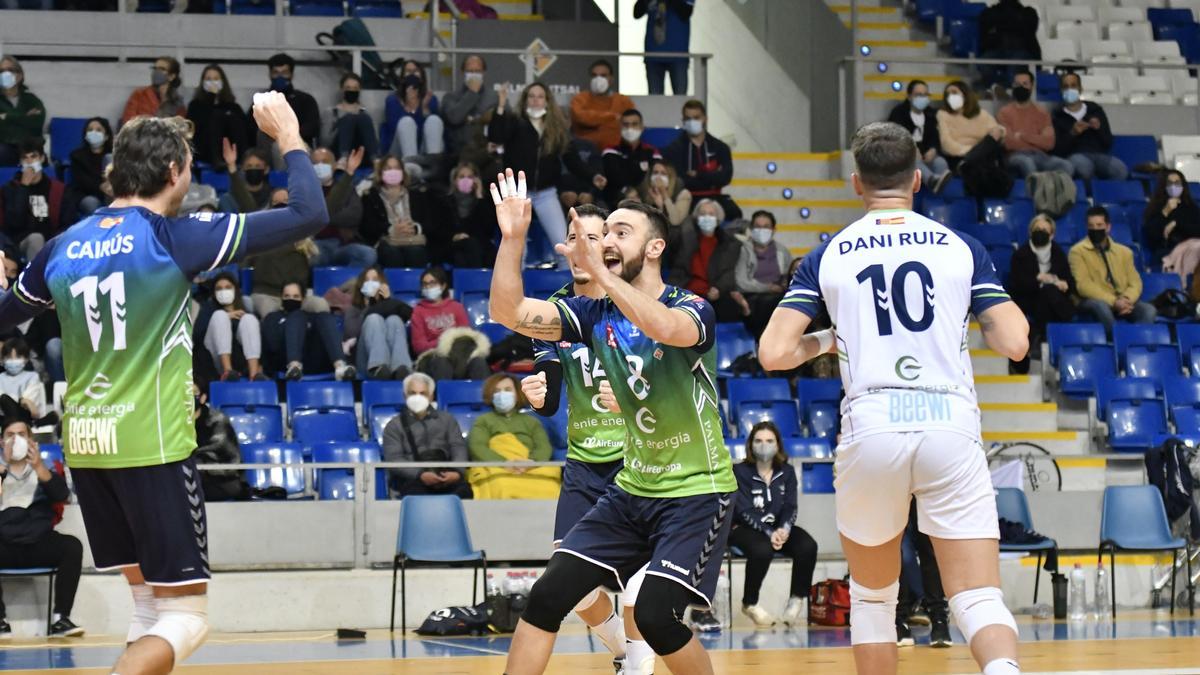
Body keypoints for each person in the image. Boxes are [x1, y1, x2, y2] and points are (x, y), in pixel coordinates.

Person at [0, 92, 329, 675]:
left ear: (114, 172)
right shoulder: (175, 237)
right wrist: (290, 138)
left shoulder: (60, 247)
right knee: (188, 619)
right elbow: (308, 215)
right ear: (175, 172)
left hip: (89, 447)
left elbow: (6, 314)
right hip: (150, 443)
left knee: (150, 604)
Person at [759, 121, 1028, 675]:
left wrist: (830, 337)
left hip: (872, 426)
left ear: (856, 183)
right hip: (948, 421)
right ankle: (1002, 670)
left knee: (875, 599)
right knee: (976, 596)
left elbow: (774, 353)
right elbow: (1015, 341)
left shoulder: (830, 254)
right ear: (919, 178)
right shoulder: (961, 247)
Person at [489, 169, 737, 675]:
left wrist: (600, 275)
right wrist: (512, 239)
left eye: (620, 232)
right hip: (631, 489)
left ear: (653, 248)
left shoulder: (691, 306)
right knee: (548, 595)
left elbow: (663, 328)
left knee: (656, 617)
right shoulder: (592, 312)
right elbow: (507, 310)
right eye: (605, 233)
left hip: (696, 491)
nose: (607, 241)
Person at [520, 202, 652, 674]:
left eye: (592, 239)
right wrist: (536, 393)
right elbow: (550, 394)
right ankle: (626, 650)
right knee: (568, 585)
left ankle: (638, 665)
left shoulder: (636, 306)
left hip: (636, 462)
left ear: (610, 247)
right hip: (583, 466)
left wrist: (635, 400)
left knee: (641, 588)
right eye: (574, 239)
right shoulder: (555, 314)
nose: (581, 249)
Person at [0, 400, 85, 639]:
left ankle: (61, 619)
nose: (15, 439)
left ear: (31, 440)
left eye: (21, 435)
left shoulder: (45, 467)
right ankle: (0, 621)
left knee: (72, 546)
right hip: (5, 544)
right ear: (1, 441)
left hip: (38, 542)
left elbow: (62, 496)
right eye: (10, 435)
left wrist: (38, 467)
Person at [731, 421, 819, 629]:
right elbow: (743, 510)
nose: (764, 445)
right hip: (744, 529)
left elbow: (790, 506)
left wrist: (784, 529)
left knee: (807, 545)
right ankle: (750, 603)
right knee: (762, 549)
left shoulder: (786, 472)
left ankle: (796, 599)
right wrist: (770, 532)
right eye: (759, 441)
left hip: (778, 528)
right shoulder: (739, 471)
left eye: (769, 441)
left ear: (778, 444)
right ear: (751, 444)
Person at [487, 81, 572, 267]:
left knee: (563, 248)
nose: (535, 100)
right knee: (517, 251)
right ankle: (514, 295)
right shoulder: (515, 122)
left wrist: (593, 175)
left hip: (546, 192)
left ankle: (569, 294)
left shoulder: (555, 127)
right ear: (525, 100)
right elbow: (496, 136)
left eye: (540, 96)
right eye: (531, 96)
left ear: (547, 101)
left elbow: (569, 157)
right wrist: (501, 105)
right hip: (518, 193)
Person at [466, 373, 560, 499]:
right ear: (490, 395)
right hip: (499, 467)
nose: (502, 394)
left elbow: (544, 447)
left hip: (530, 466)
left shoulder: (531, 421)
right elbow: (477, 446)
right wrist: (504, 463)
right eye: (497, 391)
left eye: (508, 390)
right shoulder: (483, 421)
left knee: (550, 483)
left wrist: (531, 462)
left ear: (517, 394)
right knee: (500, 484)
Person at [382, 372, 472, 498]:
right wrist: (419, 474)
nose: (417, 397)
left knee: (465, 492)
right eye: (412, 393)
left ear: (431, 396)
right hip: (413, 480)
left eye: (423, 393)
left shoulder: (447, 420)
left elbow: (458, 447)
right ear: (404, 396)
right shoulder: (394, 425)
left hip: (447, 475)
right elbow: (394, 459)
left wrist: (457, 472)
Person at [1069, 206, 1155, 331]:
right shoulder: (1077, 252)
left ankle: (1135, 342)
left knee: (1149, 310)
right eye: (1091, 226)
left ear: (1108, 227)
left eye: (1099, 225)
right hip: (1093, 300)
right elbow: (1083, 286)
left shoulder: (1125, 252)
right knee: (1101, 306)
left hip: (1123, 299)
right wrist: (1114, 301)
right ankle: (1116, 342)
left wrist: (1126, 299)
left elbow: (1135, 282)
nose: (1095, 229)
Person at [1008, 214, 1074, 374]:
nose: (1040, 232)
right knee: (1047, 291)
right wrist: (1038, 279)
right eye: (1037, 229)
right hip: (1028, 300)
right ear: (1030, 232)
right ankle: (1050, 337)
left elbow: (1071, 283)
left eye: (1044, 229)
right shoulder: (1020, 255)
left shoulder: (1059, 253)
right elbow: (1017, 285)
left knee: (1050, 292)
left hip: (1054, 301)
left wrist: (1064, 284)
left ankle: (1038, 335)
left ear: (1052, 234)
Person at [667, 198, 744, 322]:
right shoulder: (685, 237)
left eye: (711, 214)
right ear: (696, 218)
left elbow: (729, 272)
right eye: (702, 214)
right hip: (686, 291)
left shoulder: (729, 243)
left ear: (718, 218)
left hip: (713, 293)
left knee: (730, 307)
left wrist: (718, 288)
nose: (707, 217)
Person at [262, 281, 356, 381]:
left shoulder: (312, 317)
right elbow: (272, 346)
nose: (291, 299)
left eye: (296, 296)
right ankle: (294, 367)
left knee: (324, 317)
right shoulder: (273, 317)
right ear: (281, 298)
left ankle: (340, 366)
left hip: (316, 361)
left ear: (303, 299)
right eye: (287, 296)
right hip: (284, 361)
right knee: (296, 316)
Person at [663, 100, 740, 222]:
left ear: (705, 119)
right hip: (687, 198)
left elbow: (726, 177)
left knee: (736, 214)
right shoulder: (672, 150)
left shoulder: (721, 147)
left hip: (715, 196)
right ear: (683, 121)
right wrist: (713, 177)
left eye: (696, 117)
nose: (692, 122)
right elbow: (680, 181)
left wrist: (698, 174)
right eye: (688, 118)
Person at [411, 266, 490, 380]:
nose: (428, 287)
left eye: (432, 283)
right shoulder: (418, 311)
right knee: (442, 362)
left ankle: (483, 396)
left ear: (443, 286)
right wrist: (445, 342)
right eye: (425, 284)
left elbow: (465, 336)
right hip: (433, 356)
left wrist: (450, 344)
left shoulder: (456, 307)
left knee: (479, 362)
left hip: (460, 355)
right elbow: (419, 346)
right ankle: (445, 396)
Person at [0, 137, 68, 260]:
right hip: (20, 242)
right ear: (20, 162)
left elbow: (67, 221)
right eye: (25, 158)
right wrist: (23, 187)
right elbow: (13, 223)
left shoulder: (57, 189)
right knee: (36, 238)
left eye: (33, 156)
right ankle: (34, 279)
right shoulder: (9, 188)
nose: (30, 161)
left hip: (51, 240)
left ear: (42, 159)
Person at [997, 70, 1073, 178]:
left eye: (1025, 84)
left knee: (1066, 166)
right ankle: (1039, 193)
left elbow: (1049, 143)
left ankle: (1052, 192)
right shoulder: (1003, 113)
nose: (1021, 87)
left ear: (1032, 86)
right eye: (1017, 84)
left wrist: (1023, 136)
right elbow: (1009, 143)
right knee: (1027, 163)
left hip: (1040, 156)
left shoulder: (1042, 113)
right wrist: (1037, 139)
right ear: (1013, 86)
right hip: (1015, 156)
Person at [1052, 73, 1128, 181]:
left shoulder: (1095, 110)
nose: (1070, 90)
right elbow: (1057, 150)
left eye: (1073, 86)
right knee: (1083, 168)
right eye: (1066, 86)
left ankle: (1109, 196)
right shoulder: (1057, 116)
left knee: (1120, 170)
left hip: (1099, 154)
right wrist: (1073, 133)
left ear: (1080, 88)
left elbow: (1108, 141)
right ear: (1061, 90)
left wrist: (1099, 128)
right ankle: (1090, 195)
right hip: (1075, 155)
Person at [895, 499, 950, 649]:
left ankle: (939, 619)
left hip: (925, 483)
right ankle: (899, 620)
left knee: (929, 547)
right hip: (892, 480)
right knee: (895, 549)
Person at [341, 266, 413, 380]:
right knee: (374, 319)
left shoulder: (392, 305)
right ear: (361, 285)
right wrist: (373, 305)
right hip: (366, 361)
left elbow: (411, 314)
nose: (371, 283)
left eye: (374, 280)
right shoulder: (354, 309)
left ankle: (401, 368)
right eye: (367, 280)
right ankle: (378, 367)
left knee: (394, 319)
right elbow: (352, 332)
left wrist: (387, 301)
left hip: (392, 362)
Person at [360, 154, 430, 268]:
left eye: (397, 168)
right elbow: (367, 226)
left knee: (416, 252)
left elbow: (429, 222)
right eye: (388, 168)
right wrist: (391, 229)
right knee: (392, 253)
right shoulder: (370, 197)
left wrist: (414, 228)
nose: (393, 171)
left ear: (403, 172)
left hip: (413, 239)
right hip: (386, 241)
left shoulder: (418, 195)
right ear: (381, 173)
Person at [193, 271, 265, 382]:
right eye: (219, 288)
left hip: (241, 359)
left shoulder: (245, 309)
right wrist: (227, 316)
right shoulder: (208, 308)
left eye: (227, 287)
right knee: (220, 316)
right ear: (214, 293)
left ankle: (254, 374)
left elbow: (257, 337)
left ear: (235, 290)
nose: (223, 291)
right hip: (213, 359)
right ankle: (228, 372)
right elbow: (198, 335)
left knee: (249, 319)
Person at [310, 146, 375, 269]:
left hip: (344, 244)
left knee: (368, 255)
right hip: (317, 243)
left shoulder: (347, 189)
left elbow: (353, 216)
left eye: (324, 162)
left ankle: (346, 285)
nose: (319, 166)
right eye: (315, 163)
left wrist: (324, 217)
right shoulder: (305, 192)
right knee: (314, 256)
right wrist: (336, 213)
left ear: (335, 165)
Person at [734, 210, 793, 339]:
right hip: (753, 297)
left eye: (766, 227)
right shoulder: (743, 250)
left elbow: (790, 274)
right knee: (771, 303)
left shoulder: (782, 251)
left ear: (773, 230)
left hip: (778, 295)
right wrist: (768, 287)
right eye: (758, 227)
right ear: (751, 229)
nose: (762, 230)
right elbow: (741, 282)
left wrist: (784, 282)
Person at [247, 53, 321, 149]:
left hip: (298, 145)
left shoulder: (305, 100)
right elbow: (251, 128)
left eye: (284, 73)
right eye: (276, 72)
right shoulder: (260, 101)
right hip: (267, 146)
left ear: (291, 74)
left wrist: (286, 135)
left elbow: (312, 127)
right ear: (270, 74)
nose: (280, 77)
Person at [887, 80, 950, 192]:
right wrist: (912, 149)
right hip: (905, 154)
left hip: (925, 154)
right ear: (909, 96)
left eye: (925, 95)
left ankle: (939, 193)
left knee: (940, 162)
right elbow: (895, 136)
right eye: (918, 95)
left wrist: (933, 150)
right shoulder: (898, 113)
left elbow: (935, 136)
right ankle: (931, 180)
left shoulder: (931, 114)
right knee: (913, 161)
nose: (922, 98)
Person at [191, 385, 250, 502]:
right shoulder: (175, 422)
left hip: (221, 478)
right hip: (191, 477)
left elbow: (222, 450)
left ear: (203, 398)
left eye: (193, 393)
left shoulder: (218, 419)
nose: (189, 398)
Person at [435, 162, 497, 268]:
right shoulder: (444, 201)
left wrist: (479, 195)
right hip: (451, 243)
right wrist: (454, 236)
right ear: (454, 181)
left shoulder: (483, 201)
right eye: (461, 177)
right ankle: (476, 282)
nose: (466, 180)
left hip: (477, 244)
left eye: (470, 177)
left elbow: (489, 229)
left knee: (467, 254)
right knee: (465, 251)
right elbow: (438, 228)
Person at [186, 64, 249, 170]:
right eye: (208, 79)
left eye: (216, 79)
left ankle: (242, 160)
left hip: (231, 148)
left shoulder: (233, 106)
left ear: (222, 82)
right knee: (216, 117)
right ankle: (217, 159)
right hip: (204, 149)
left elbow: (243, 129)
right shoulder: (195, 105)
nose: (212, 82)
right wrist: (211, 98)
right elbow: (193, 130)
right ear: (202, 82)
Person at [937, 81, 1005, 175]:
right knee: (980, 164)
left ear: (965, 94)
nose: (951, 97)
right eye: (948, 94)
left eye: (954, 93)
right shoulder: (943, 115)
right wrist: (972, 152)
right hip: (958, 157)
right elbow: (946, 144)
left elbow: (997, 131)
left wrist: (1000, 131)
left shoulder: (981, 114)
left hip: (981, 155)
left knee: (993, 137)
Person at [1146, 170, 1200, 282]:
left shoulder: (1190, 207)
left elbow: (1197, 230)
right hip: (1168, 249)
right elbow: (1152, 236)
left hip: (1193, 245)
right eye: (1170, 183)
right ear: (1164, 186)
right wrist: (1165, 211)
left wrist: (1176, 223)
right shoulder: (1156, 207)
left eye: (1177, 183)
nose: (1174, 186)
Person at [441, 55, 498, 161]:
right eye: (470, 71)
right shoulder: (450, 97)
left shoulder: (494, 97)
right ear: (463, 72)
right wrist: (472, 93)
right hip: (458, 155)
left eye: (477, 71)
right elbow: (454, 118)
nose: (474, 75)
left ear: (483, 73)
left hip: (489, 154)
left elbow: (505, 121)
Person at [571, 60, 636, 151]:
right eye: (594, 75)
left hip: (616, 150)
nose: (598, 79)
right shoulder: (580, 98)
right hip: (586, 151)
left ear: (611, 79)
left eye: (603, 75)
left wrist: (594, 120)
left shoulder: (623, 101)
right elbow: (580, 117)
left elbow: (632, 123)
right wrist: (612, 117)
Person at [384, 60, 443, 160]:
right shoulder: (392, 100)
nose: (412, 74)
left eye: (415, 71)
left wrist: (424, 109)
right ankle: (411, 166)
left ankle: (434, 165)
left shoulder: (431, 99)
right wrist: (410, 108)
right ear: (402, 77)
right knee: (406, 122)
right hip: (399, 151)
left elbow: (435, 132)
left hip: (425, 148)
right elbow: (394, 130)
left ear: (422, 75)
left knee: (434, 120)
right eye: (408, 71)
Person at [602, 109, 662, 205]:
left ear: (642, 127)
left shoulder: (652, 152)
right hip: (617, 199)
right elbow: (614, 179)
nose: (630, 128)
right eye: (626, 125)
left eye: (634, 124)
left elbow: (657, 175)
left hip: (646, 199)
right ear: (620, 127)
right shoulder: (611, 151)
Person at [977, 0, 1040, 92]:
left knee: (1014, 65)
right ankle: (995, 88)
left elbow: (1029, 29)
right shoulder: (990, 12)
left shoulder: (1028, 12)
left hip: (1021, 51)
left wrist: (1001, 24)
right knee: (984, 62)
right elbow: (984, 25)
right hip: (998, 51)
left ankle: (1010, 92)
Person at [634, 0, 694, 95]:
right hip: (653, 55)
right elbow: (636, 13)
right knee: (654, 99)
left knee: (680, 99)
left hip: (678, 55)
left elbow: (686, 12)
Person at [0, 56, 46, 168]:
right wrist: (25, 117)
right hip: (4, 149)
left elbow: (37, 123)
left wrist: (8, 117)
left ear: (19, 75)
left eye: (10, 70)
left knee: (38, 158)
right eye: (1, 71)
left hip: (30, 147)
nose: (5, 74)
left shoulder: (31, 99)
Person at [327, 72, 378, 165]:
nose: (351, 91)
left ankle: (375, 161)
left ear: (359, 90)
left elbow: (373, 139)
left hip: (360, 152)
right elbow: (325, 140)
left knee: (362, 118)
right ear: (342, 89)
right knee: (349, 118)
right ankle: (343, 159)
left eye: (355, 88)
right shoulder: (331, 112)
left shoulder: (365, 114)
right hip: (337, 150)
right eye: (348, 88)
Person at [68, 117, 114, 216]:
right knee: (92, 204)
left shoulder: (113, 155)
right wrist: (101, 186)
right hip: (86, 194)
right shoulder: (77, 156)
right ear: (85, 135)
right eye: (90, 130)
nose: (94, 132)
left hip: (110, 193)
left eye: (98, 130)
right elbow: (81, 181)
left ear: (106, 136)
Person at [121, 57, 185, 125]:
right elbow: (127, 123)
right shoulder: (139, 95)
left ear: (172, 76)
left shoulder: (177, 102)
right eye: (155, 68)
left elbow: (180, 129)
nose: (156, 72)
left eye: (162, 69)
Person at [217, 145, 273, 213]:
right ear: (243, 169)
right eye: (249, 166)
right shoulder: (230, 198)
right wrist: (231, 165)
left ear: (266, 169)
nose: (253, 169)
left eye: (258, 166)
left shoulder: (272, 196)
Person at [637, 159, 691, 228]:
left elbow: (675, 221)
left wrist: (664, 194)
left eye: (663, 173)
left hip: (676, 235)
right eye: (655, 172)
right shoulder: (646, 193)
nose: (658, 177)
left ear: (670, 177)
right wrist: (660, 207)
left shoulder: (684, 194)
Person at [0, 337, 44, 418]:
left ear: (26, 359)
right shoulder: (1, 378)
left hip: (24, 416)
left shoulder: (32, 376)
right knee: (4, 399)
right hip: (3, 418)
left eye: (18, 357)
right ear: (2, 360)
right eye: (9, 358)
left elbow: (27, 402)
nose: (13, 361)